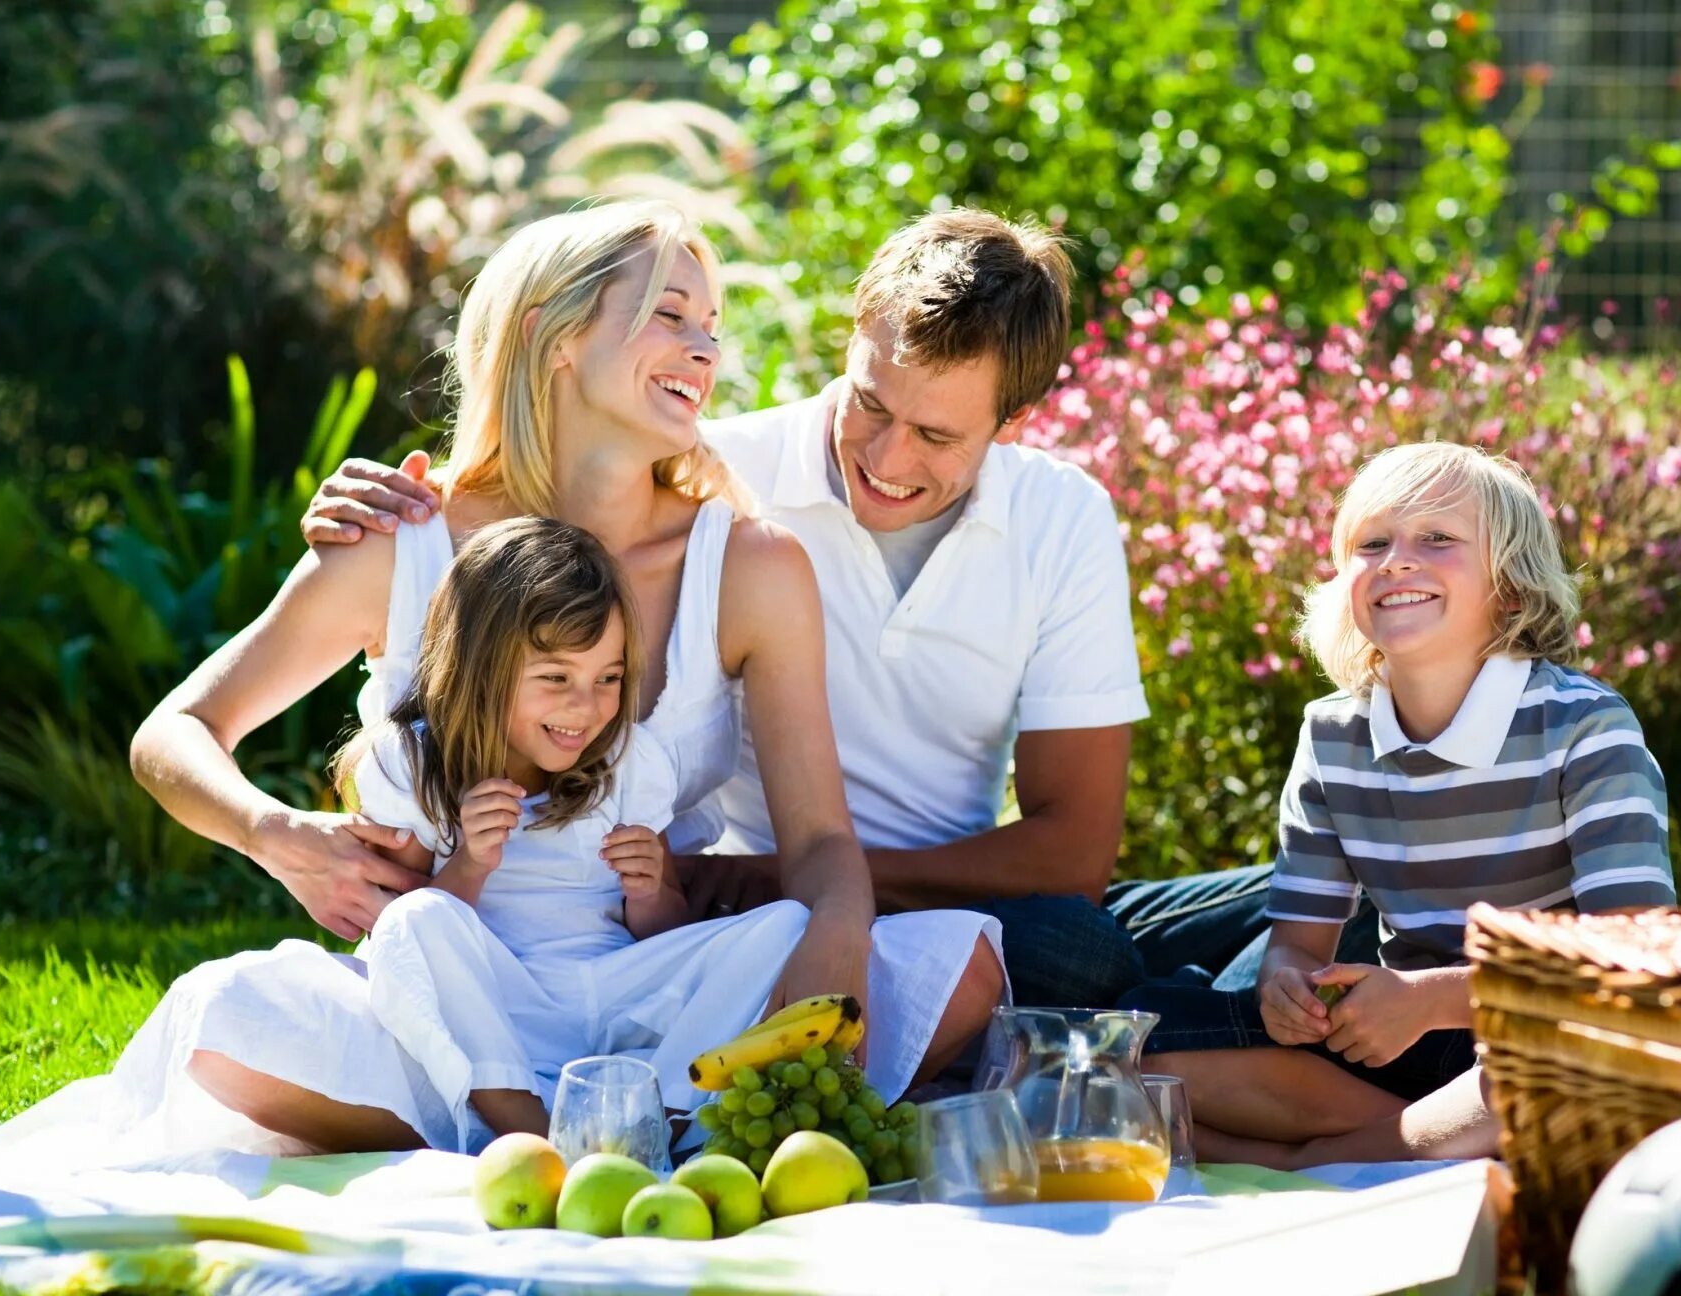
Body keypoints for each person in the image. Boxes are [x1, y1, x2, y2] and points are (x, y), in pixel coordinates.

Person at [96, 200, 1001, 1157]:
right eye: (669, 314)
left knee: (960, 965)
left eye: (712, 329)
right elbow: (175, 733)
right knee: (228, 1015)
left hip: (653, 988)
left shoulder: (747, 565)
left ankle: (560, 1128)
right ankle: (636, 1127)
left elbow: (819, 836)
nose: (704, 351)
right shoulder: (401, 542)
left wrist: (838, 937)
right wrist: (277, 836)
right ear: (553, 334)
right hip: (448, 991)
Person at [306, 210, 1159, 1007]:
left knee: (1163, 934)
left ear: (1012, 423)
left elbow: (1074, 854)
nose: (889, 456)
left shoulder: (1059, 515)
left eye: (937, 437)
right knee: (1101, 962)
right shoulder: (706, 471)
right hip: (730, 910)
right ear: (851, 343)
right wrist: (379, 524)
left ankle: (1235, 1029)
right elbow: (544, 502)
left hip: (842, 888)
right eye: (870, 403)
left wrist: (780, 881)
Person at [1121, 442, 1676, 1166]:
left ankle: (1318, 1155)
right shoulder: (1333, 734)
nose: (1397, 561)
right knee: (1137, 1036)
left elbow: (1632, 964)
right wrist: (1286, 991)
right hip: (1393, 1040)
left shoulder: (1585, 728)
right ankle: (1415, 1141)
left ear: (1510, 587)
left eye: (1437, 539)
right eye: (1372, 543)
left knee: (1558, 1067)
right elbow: (1297, 943)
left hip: (1543, 1030)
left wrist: (1427, 1001)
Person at [324, 515, 892, 1155]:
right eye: (556, 679)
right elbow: (410, 946)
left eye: (609, 679)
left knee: (784, 927)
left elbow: (665, 933)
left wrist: (650, 892)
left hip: (614, 990)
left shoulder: (626, 762)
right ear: (481, 667)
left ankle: (670, 1116)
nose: (585, 707)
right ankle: (528, 1128)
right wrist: (471, 864)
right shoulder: (411, 763)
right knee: (413, 920)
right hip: (501, 1004)